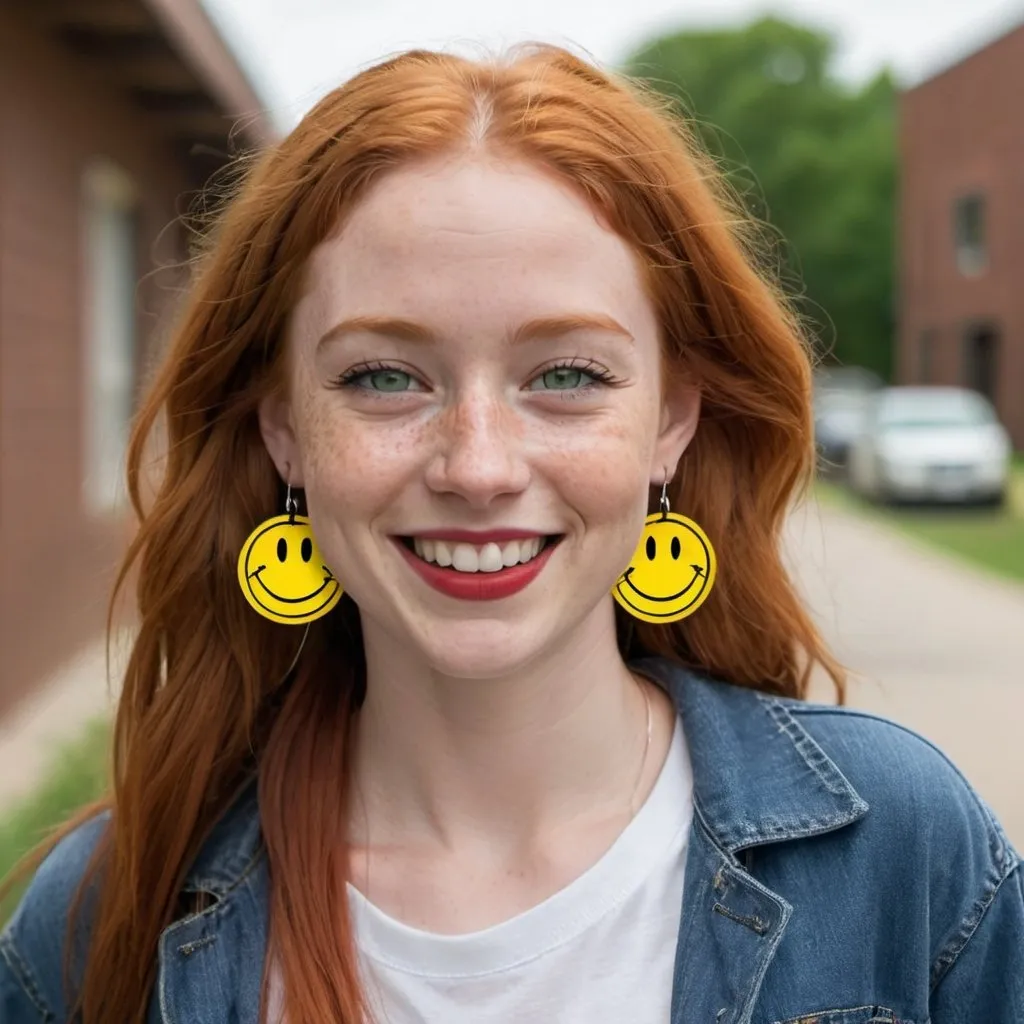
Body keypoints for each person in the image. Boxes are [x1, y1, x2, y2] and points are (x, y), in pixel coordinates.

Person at [1, 44, 1021, 1024]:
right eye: (383, 377)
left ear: (671, 419)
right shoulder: (100, 922)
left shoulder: (906, 858)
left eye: (566, 375)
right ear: (282, 431)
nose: (478, 467)